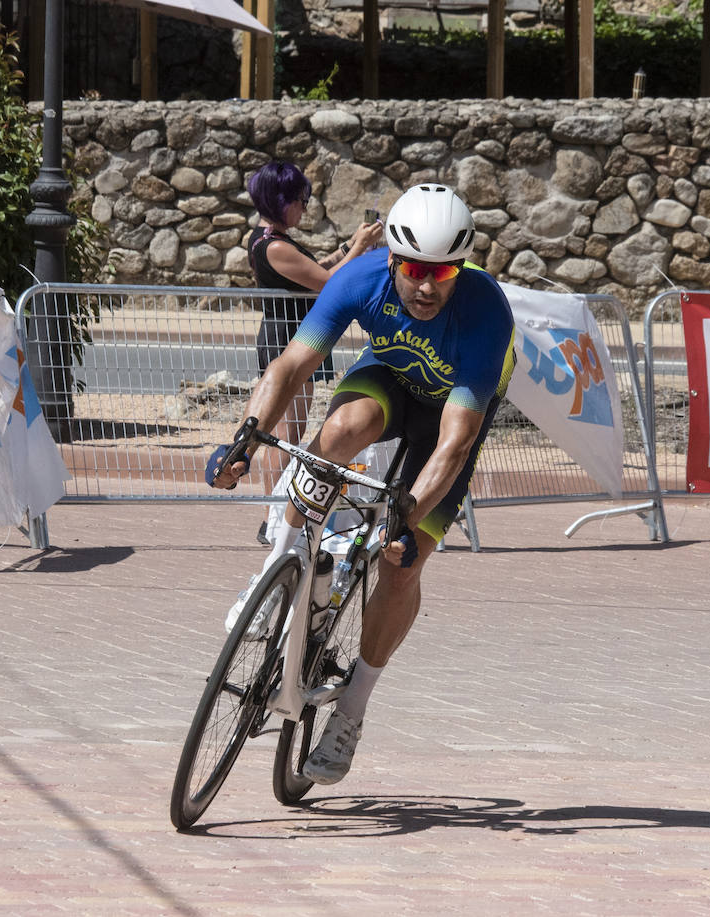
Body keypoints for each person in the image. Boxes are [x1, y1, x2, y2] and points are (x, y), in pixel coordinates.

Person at [207, 183, 515, 785]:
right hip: (392, 378)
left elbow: (454, 442)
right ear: (394, 260)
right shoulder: (361, 277)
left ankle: (351, 711)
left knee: (404, 564)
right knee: (343, 427)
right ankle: (282, 559)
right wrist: (244, 436)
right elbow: (292, 364)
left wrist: (407, 518)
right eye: (416, 270)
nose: (428, 286)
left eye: (444, 271)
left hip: (451, 412)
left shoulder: (484, 311)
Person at [246, 160, 382, 544]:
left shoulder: (269, 239)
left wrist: (345, 248)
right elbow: (327, 284)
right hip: (286, 339)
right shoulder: (273, 246)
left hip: (294, 335)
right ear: (281, 199)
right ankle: (272, 513)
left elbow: (313, 269)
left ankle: (276, 511)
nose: (305, 208)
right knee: (283, 433)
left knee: (289, 429)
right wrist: (357, 248)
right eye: (301, 200)